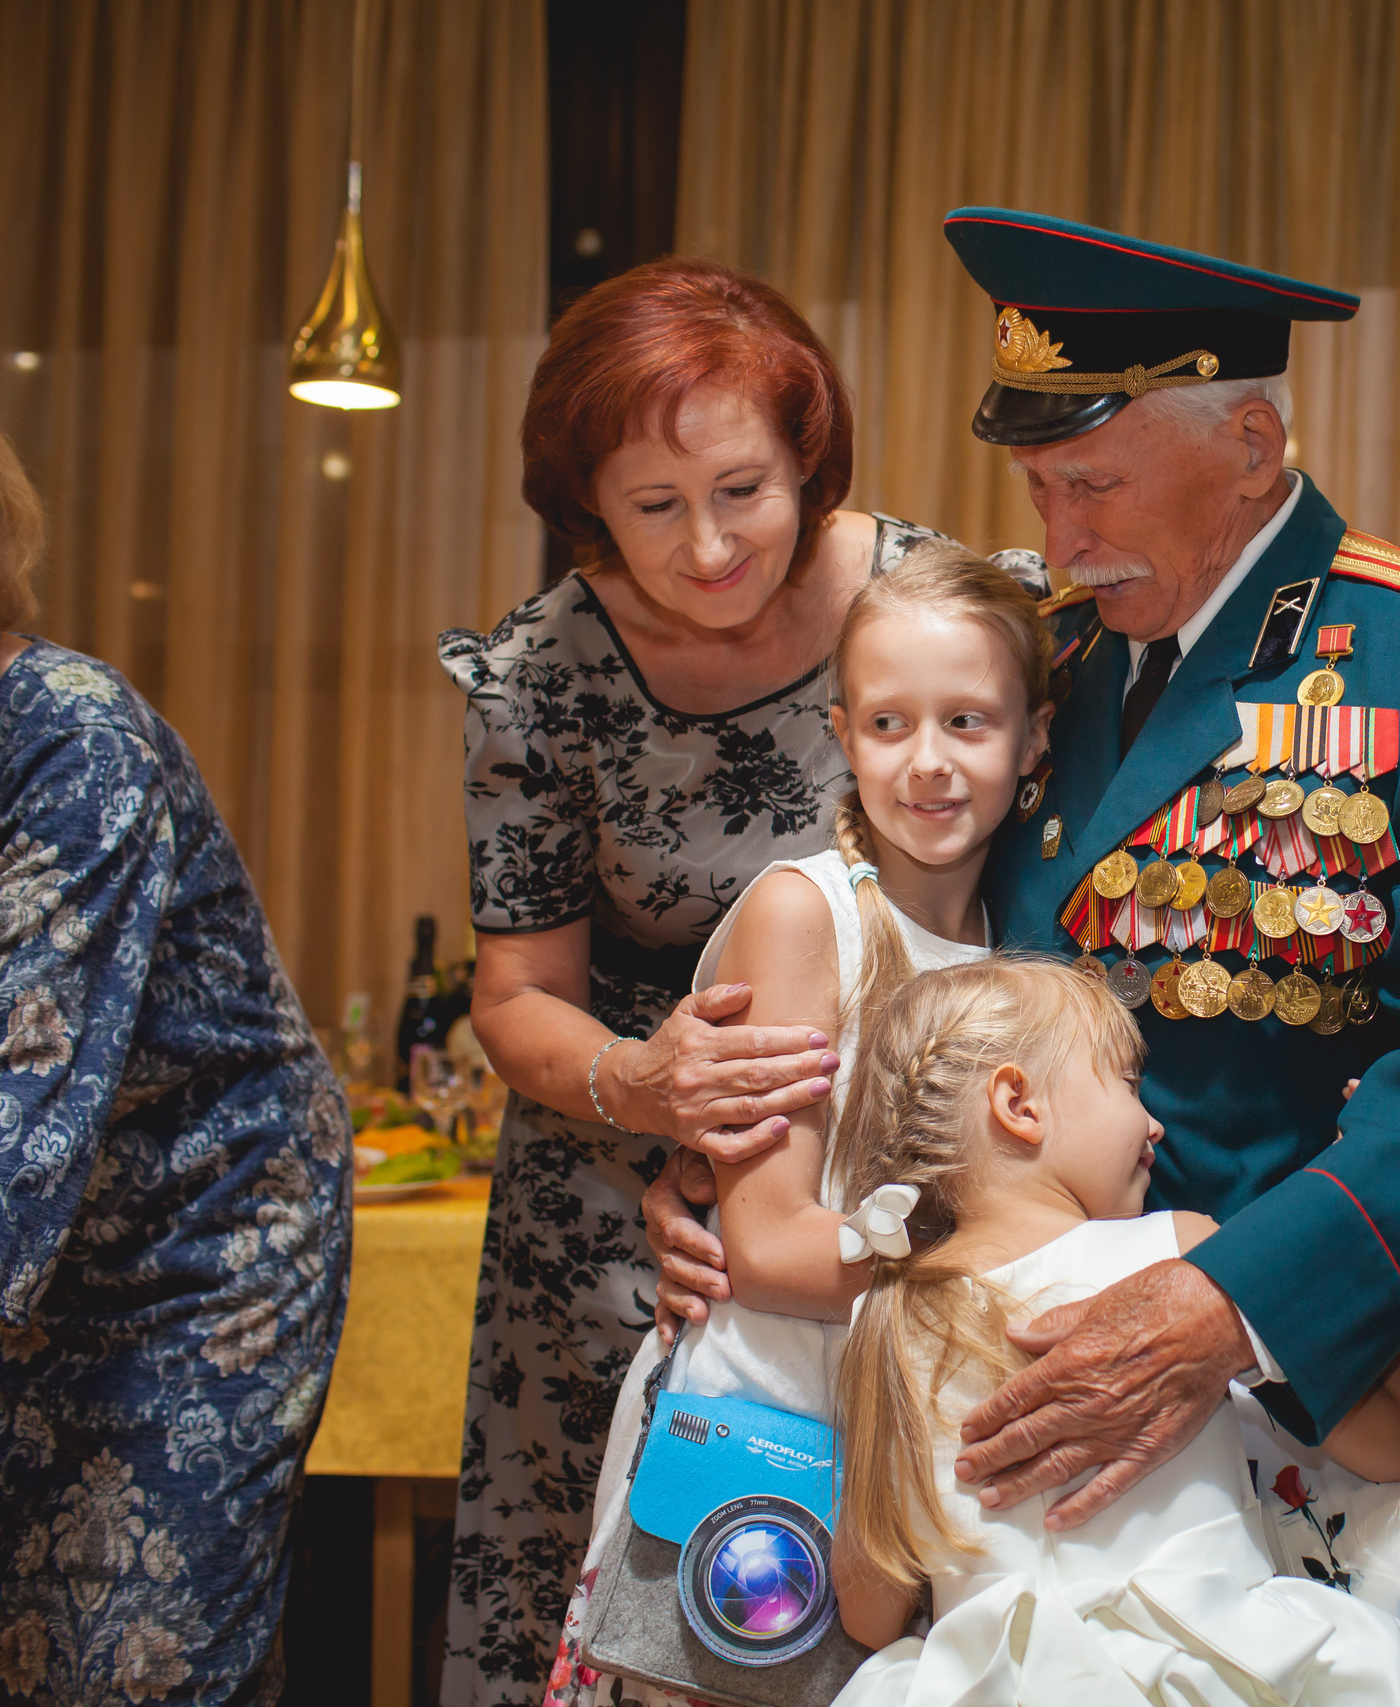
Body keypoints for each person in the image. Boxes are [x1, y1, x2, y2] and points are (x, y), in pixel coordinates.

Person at [645, 212, 1400, 1635]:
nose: (1059, 535)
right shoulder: (1041, 665)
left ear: (1253, 444)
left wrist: (1233, 1308)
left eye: (1093, 482)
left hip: (1310, 1395)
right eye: (1036, 484)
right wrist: (750, 1182)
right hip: (1001, 1412)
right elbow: (917, 970)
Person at [439, 259, 1043, 1704]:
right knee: (639, 1619)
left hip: (891, 1195)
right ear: (590, 500)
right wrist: (648, 1093)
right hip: (622, 1227)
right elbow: (517, 990)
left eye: (743, 490)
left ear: (808, 465)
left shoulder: (927, 609)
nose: (708, 544)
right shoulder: (541, 676)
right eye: (653, 506)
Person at [0, 353, 348, 1700]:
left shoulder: (68, 737)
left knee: (127, 1651)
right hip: (36, 1263)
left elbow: (19, 1083)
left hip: (215, 1234)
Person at [828, 955, 1400, 1706]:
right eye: (1127, 1081)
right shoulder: (1179, 1252)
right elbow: (1393, 1445)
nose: (1155, 1122)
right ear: (1018, 1102)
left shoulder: (882, 1318)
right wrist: (1360, 1205)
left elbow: (870, 1612)